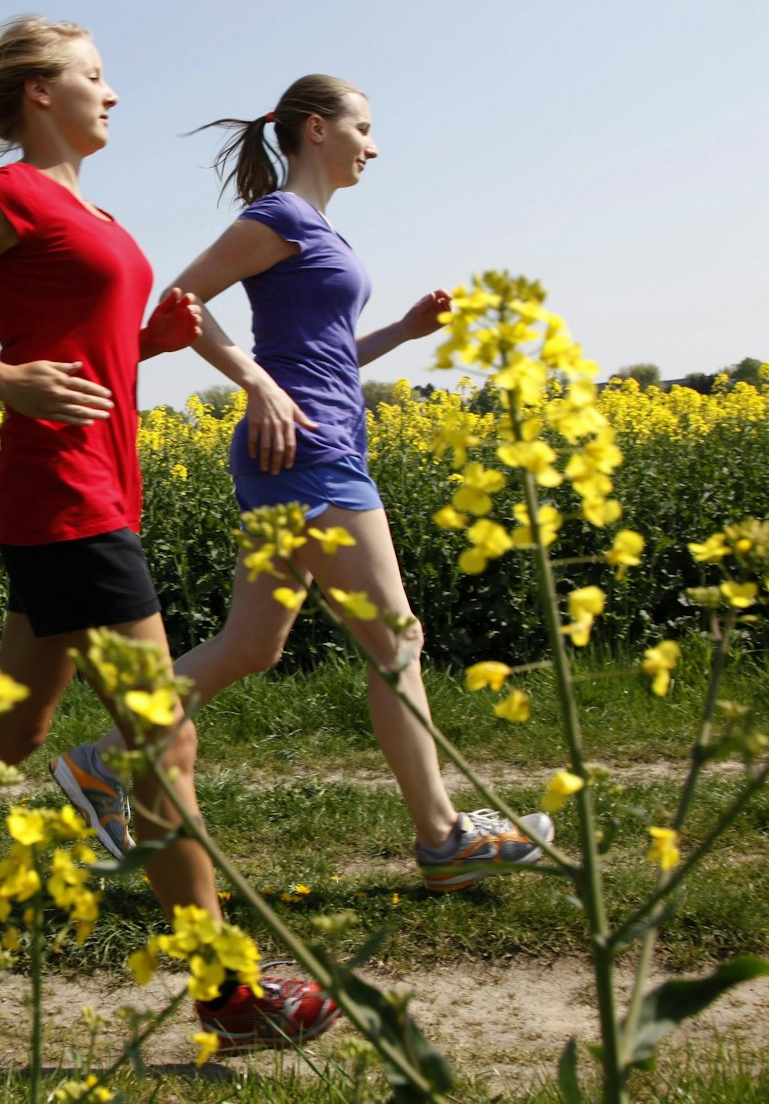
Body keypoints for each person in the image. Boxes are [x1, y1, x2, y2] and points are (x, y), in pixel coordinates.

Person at [0, 18, 338, 1050]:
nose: (111, 93)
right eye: (93, 76)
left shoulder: (88, 209)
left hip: (96, 488)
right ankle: (224, 990)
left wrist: (153, 336)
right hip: (61, 494)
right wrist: (1, 378)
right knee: (162, 736)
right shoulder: (4, 198)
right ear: (36, 92)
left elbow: (94, 349)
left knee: (17, 729)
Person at [51, 74, 554, 892]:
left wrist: (402, 330)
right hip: (307, 452)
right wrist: (255, 383)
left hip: (304, 445)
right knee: (397, 640)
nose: (374, 144)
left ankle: (103, 764)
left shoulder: (318, 229)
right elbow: (181, 298)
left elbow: (323, 360)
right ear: (316, 130)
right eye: (364, 127)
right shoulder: (278, 216)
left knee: (253, 645)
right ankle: (444, 839)